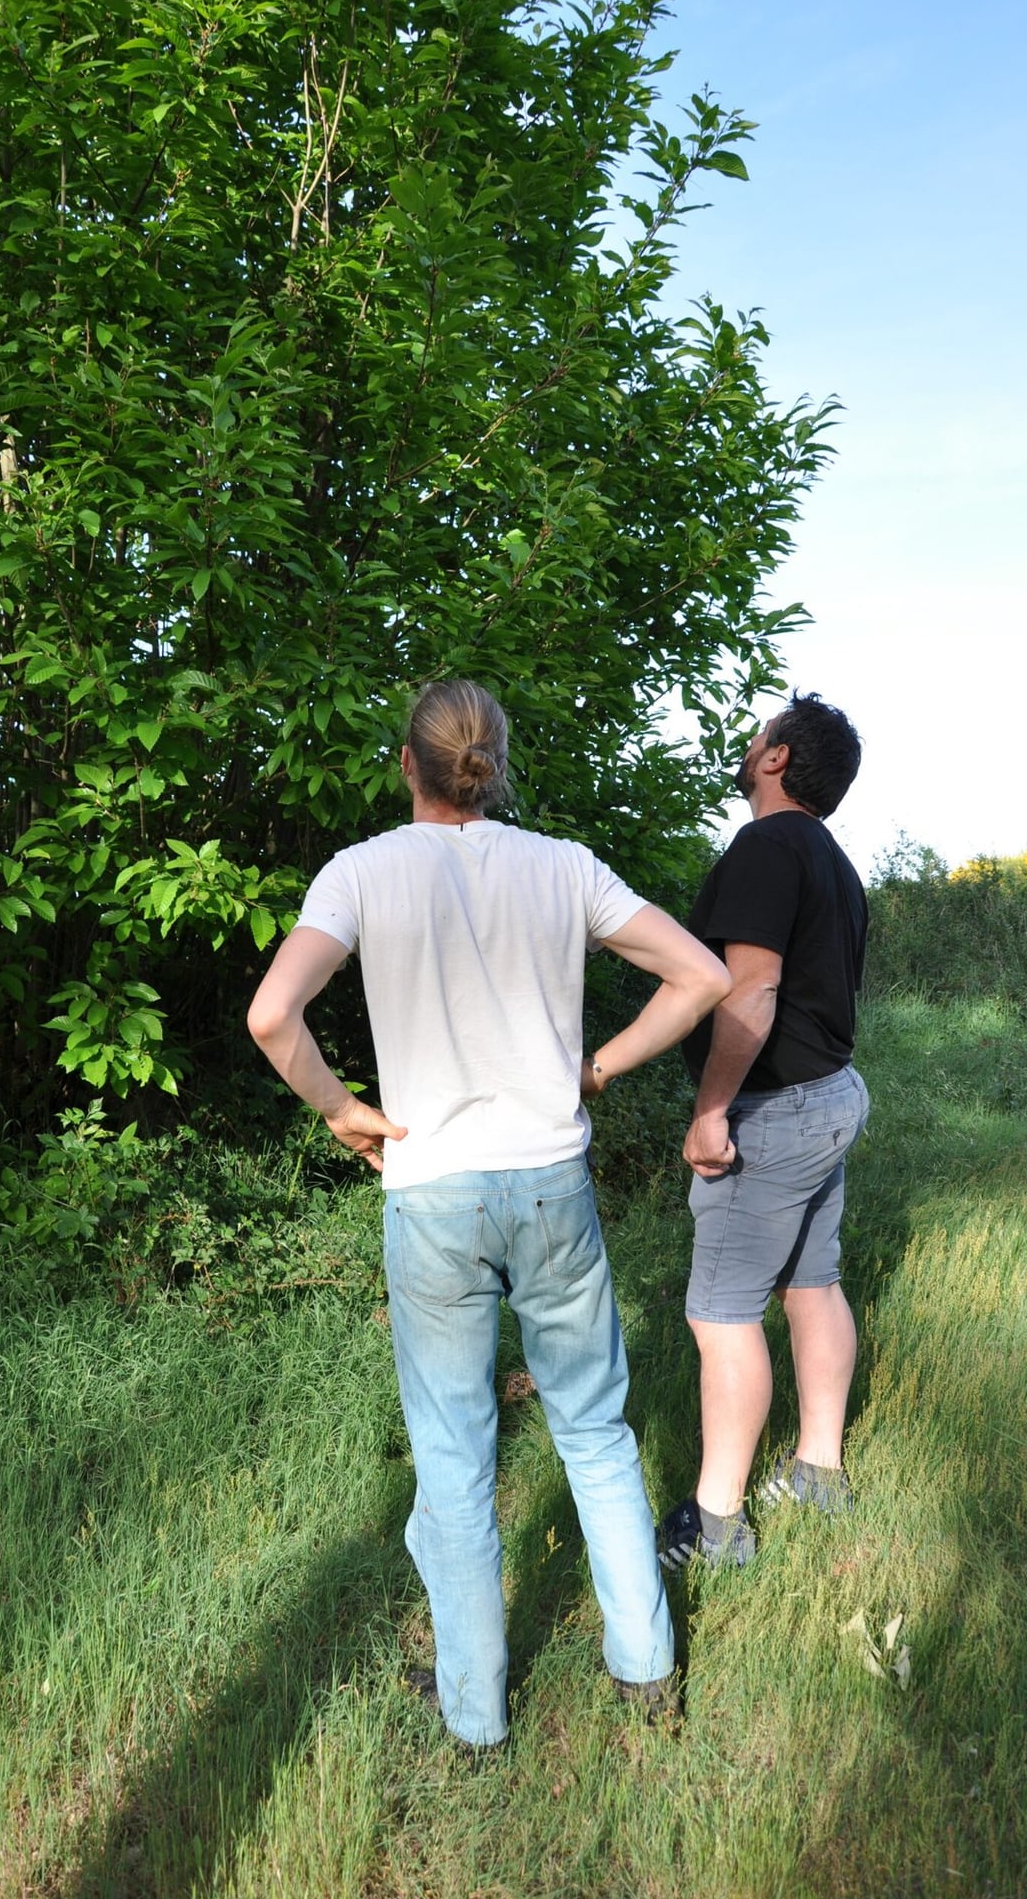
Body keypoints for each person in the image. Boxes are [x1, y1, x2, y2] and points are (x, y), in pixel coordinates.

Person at [248, 679, 730, 1749]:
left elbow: (272, 1014)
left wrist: (340, 1111)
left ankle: (475, 1714)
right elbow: (699, 975)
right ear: (494, 764)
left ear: (406, 762)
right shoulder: (563, 866)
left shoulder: (362, 872)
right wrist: (592, 1070)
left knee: (457, 1457)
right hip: (551, 1179)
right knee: (595, 1431)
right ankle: (647, 1671)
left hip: (431, 1190)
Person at [656, 692, 870, 1572]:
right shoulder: (833, 861)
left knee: (720, 1314)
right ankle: (818, 1471)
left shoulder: (764, 844)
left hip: (773, 1113)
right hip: (830, 1096)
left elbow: (750, 990)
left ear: (777, 759)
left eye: (759, 735)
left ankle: (714, 1527)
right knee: (810, 1284)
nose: (748, 745)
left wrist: (711, 1110)